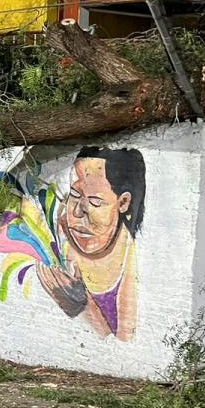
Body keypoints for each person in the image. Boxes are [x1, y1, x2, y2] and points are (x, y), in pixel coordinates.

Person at [36, 147, 145, 342]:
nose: (77, 212)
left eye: (95, 201)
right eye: (75, 195)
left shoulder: (131, 263)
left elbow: (123, 348)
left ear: (123, 202)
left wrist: (82, 307)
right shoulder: (52, 238)